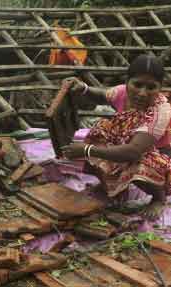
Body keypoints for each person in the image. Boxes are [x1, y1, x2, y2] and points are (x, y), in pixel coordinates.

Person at [61, 54, 170, 220]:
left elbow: (134, 151)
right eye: (137, 85)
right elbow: (102, 95)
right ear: (127, 82)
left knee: (138, 163)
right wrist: (82, 87)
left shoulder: (160, 111)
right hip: (129, 144)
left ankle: (158, 197)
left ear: (160, 87)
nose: (142, 93)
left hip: (160, 155)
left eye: (151, 87)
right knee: (101, 130)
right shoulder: (122, 93)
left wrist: (88, 150)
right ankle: (111, 185)